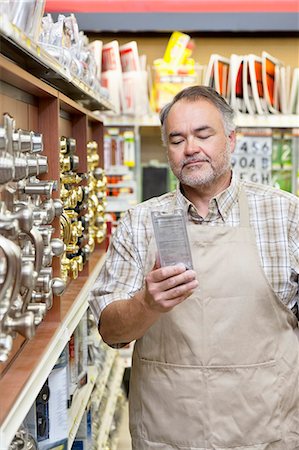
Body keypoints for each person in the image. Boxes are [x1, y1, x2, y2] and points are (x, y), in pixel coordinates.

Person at [89, 85, 299, 450]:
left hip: (266, 432)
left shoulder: (287, 215)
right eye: (177, 139)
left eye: (204, 134)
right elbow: (110, 331)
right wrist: (146, 305)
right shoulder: (139, 222)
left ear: (232, 139)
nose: (191, 148)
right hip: (169, 433)